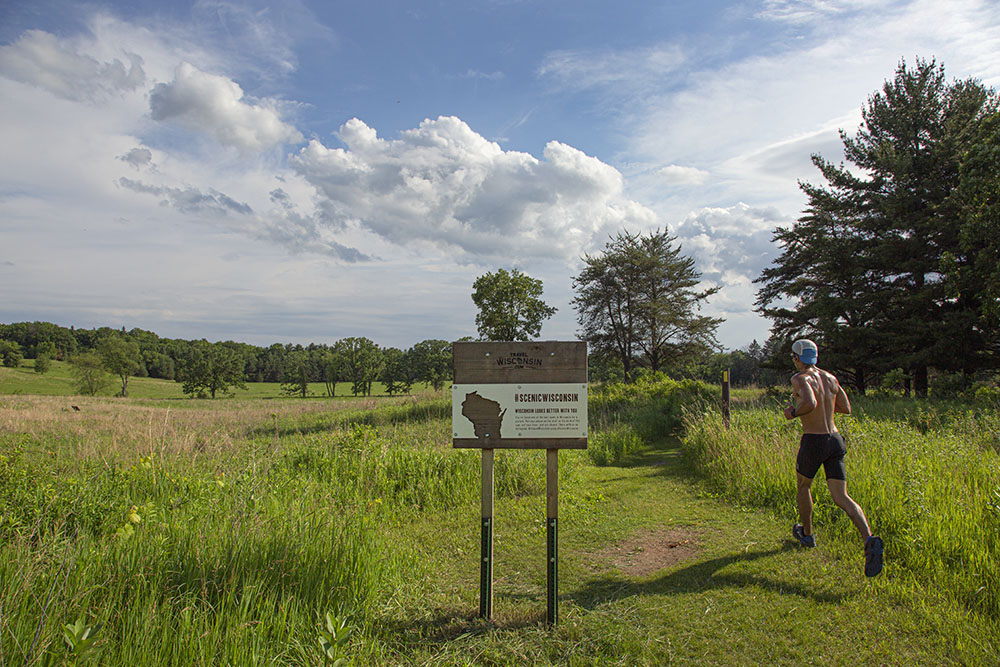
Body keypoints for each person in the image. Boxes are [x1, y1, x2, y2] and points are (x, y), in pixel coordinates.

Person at [784, 339, 883, 577]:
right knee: (842, 497)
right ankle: (869, 539)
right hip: (835, 440)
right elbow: (845, 407)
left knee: (803, 485)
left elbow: (810, 402)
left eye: (793, 358)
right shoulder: (830, 378)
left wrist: (793, 412)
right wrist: (825, 409)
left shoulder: (800, 378)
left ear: (797, 358)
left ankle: (807, 535)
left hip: (814, 440)